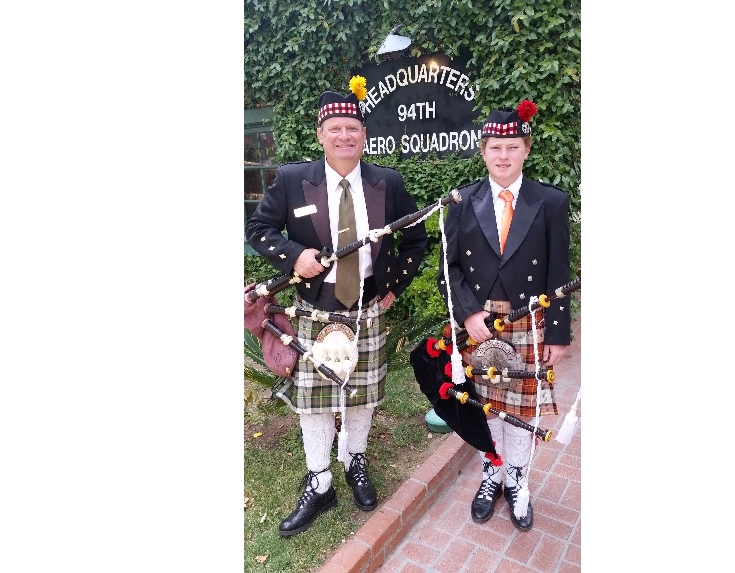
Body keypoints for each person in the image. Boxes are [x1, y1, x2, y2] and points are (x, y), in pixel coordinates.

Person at [245, 77, 428, 537]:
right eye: (336, 129)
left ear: (363, 135)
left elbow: (416, 240)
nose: (345, 136)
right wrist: (293, 255)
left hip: (368, 309)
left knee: (362, 395)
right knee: (316, 401)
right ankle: (320, 479)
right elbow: (259, 229)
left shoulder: (387, 182)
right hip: (316, 310)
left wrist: (394, 287)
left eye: (353, 128)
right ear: (320, 134)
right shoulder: (292, 180)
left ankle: (356, 461)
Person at [438, 100, 572, 531]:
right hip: (478, 323)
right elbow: (449, 269)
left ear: (526, 149)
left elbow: (558, 272)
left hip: (528, 319)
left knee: (521, 410)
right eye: (495, 146)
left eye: (511, 146)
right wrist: (468, 313)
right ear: (482, 150)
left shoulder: (550, 202)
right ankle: (491, 470)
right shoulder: (461, 201)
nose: (503, 155)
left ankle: (517, 479)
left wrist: (558, 331)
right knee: (483, 406)